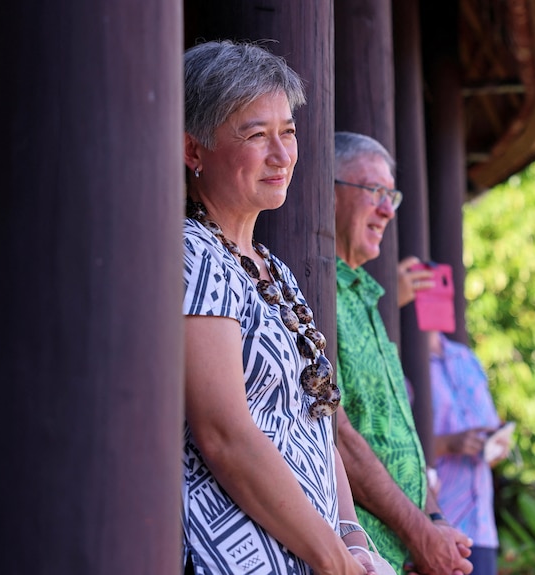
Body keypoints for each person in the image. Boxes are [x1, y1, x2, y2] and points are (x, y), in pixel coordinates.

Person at [181, 41, 372, 575]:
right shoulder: (192, 254)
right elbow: (224, 435)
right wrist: (335, 559)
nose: (282, 154)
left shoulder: (273, 269)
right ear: (194, 150)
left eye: (287, 131)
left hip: (311, 555)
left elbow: (313, 420)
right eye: (254, 134)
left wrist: (353, 538)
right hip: (235, 558)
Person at [333, 131, 473, 575]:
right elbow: (338, 437)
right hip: (360, 555)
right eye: (373, 191)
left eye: (390, 194)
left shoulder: (366, 296)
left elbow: (402, 436)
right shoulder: (318, 293)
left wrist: (433, 521)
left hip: (404, 551)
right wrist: (419, 534)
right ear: (329, 192)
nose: (387, 209)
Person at [427, 330, 511, 575]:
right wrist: (448, 443)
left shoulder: (467, 358)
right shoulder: (403, 359)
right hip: (438, 525)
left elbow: (491, 428)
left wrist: (496, 446)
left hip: (482, 528)